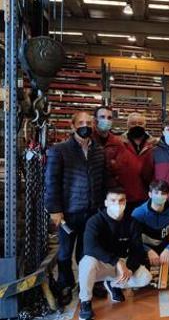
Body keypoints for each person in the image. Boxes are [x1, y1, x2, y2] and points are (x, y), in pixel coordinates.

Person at [45, 111, 106, 305]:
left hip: (92, 211)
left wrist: (103, 207)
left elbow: (102, 181)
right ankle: (65, 284)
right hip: (68, 213)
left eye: (89, 122)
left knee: (86, 251)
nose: (85, 125)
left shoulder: (99, 151)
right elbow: (51, 182)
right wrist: (54, 209)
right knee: (64, 253)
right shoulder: (60, 150)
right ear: (73, 126)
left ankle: (87, 283)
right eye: (81, 122)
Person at [77, 189, 151, 320]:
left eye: (121, 200)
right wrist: (116, 261)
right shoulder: (94, 221)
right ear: (106, 203)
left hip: (122, 263)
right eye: (113, 200)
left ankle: (113, 284)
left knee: (145, 277)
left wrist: (130, 268)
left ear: (126, 202)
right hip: (102, 263)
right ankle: (85, 302)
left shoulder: (132, 222)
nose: (117, 204)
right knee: (87, 262)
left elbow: (137, 250)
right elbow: (90, 248)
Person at [131, 180, 169, 281]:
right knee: (134, 254)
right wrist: (148, 250)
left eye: (163, 193)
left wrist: (168, 249)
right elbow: (133, 238)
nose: (159, 196)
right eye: (156, 193)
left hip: (163, 247)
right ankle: (144, 272)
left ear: (167, 195)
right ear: (150, 194)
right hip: (144, 248)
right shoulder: (138, 213)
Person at [116, 112, 157, 213]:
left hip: (147, 196)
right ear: (127, 125)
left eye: (140, 123)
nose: (137, 126)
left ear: (145, 125)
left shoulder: (155, 145)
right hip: (124, 196)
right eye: (133, 123)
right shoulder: (117, 144)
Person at [91, 106, 125, 190]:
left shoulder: (117, 143)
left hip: (110, 188)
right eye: (102, 117)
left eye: (109, 118)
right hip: (90, 188)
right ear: (95, 120)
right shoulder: (88, 140)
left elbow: (120, 168)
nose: (106, 120)